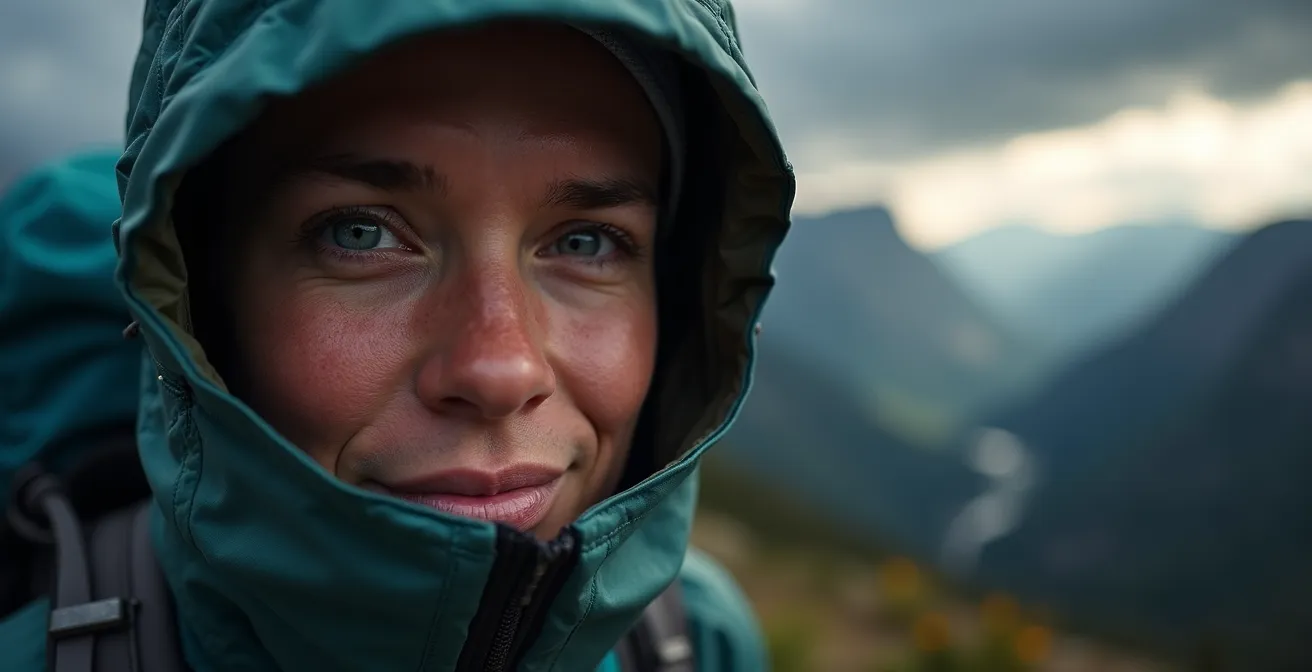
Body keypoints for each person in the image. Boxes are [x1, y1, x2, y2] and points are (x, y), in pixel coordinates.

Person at [1, 1, 794, 670]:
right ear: (196, 302)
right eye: (361, 235)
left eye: (586, 242)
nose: (500, 368)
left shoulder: (700, 642)